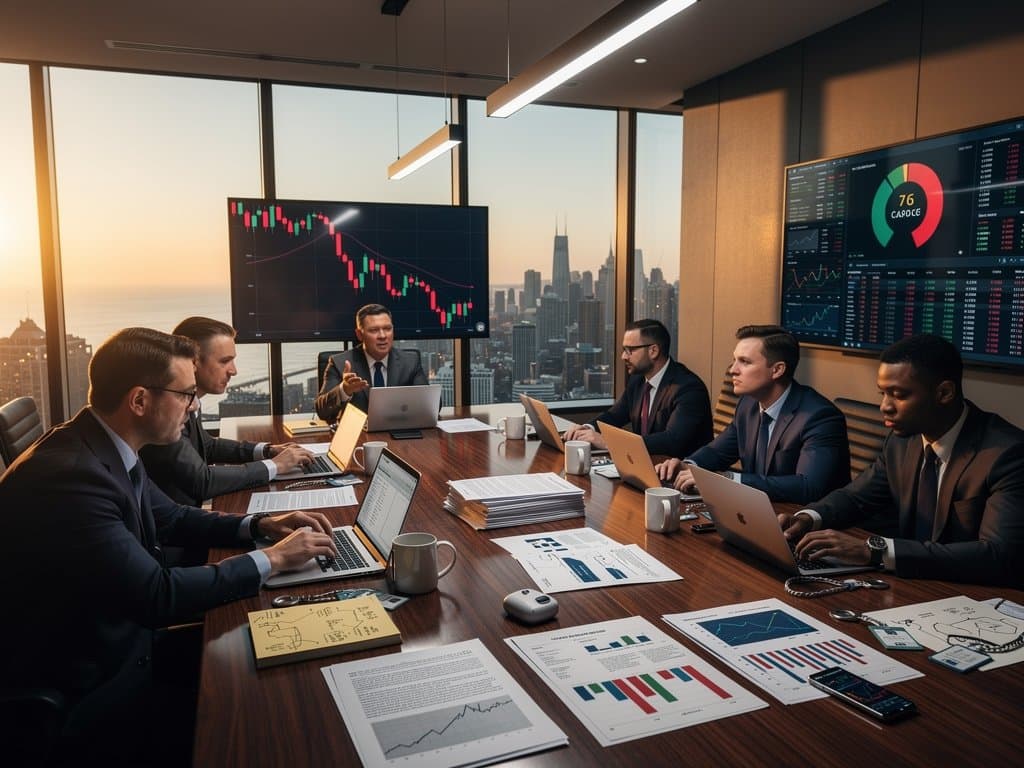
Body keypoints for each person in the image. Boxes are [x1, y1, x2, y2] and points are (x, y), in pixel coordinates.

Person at [0, 327, 338, 765]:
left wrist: (261, 524)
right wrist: (271, 560)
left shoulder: (104, 443)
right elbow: (156, 596)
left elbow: (173, 516)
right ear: (139, 401)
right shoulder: (72, 478)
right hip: (92, 683)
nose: (194, 407)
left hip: (118, 641)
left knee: (286, 649)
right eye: (185, 395)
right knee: (275, 706)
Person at [782, 334, 1024, 587]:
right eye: (883, 394)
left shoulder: (1008, 454)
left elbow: (998, 555)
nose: (884, 406)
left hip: (976, 595)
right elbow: (857, 497)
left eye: (898, 395)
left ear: (944, 392)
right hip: (913, 586)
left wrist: (878, 551)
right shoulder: (901, 441)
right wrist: (808, 518)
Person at [655, 325, 850, 503]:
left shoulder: (820, 417)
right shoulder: (748, 404)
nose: (732, 370)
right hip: (758, 511)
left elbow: (807, 487)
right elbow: (717, 452)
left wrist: (729, 480)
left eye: (744, 362)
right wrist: (689, 465)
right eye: (734, 360)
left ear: (777, 370)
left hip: (804, 524)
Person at [141, 316, 313, 506]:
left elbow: (207, 445)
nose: (234, 371)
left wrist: (267, 451)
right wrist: (275, 466)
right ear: (193, 363)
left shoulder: (191, 401)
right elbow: (203, 481)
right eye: (225, 361)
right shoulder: (166, 413)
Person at [563, 319, 712, 458]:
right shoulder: (638, 380)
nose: (623, 356)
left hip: (680, 476)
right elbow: (615, 415)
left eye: (630, 350)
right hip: (645, 466)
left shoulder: (688, 388)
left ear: (653, 351)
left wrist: (609, 443)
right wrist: (588, 429)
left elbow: (672, 441)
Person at [315, 303, 428, 423]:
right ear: (359, 334)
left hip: (399, 432)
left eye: (387, 329)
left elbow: (432, 405)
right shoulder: (339, 363)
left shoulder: (410, 361)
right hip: (359, 436)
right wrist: (344, 390)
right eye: (374, 330)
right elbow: (322, 411)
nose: (383, 336)